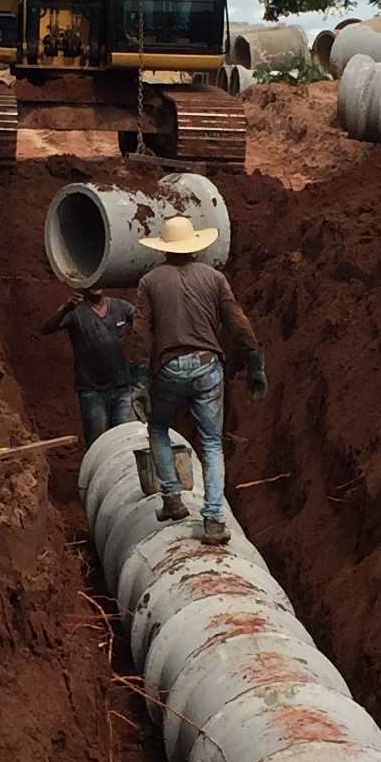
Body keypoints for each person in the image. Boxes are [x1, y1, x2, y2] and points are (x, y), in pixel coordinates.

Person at [126, 214, 264, 548]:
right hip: (207, 367)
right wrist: (255, 360)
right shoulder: (214, 278)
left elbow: (141, 331)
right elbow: (237, 321)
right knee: (212, 443)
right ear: (194, 247)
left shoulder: (150, 281)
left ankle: (172, 498)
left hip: (170, 367)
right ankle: (214, 519)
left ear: (165, 249)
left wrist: (139, 380)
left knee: (158, 428)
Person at [43, 283, 137, 451]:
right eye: (90, 283)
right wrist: (66, 309)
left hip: (122, 387)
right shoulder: (74, 311)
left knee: (126, 440)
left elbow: (144, 320)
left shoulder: (120, 306)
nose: (96, 286)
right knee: (98, 445)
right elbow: (46, 328)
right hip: (92, 391)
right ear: (82, 286)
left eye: (100, 281)